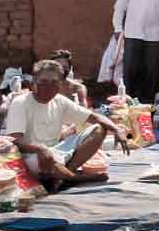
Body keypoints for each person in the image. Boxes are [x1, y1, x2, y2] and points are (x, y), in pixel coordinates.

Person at [7, 60, 129, 191]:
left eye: (54, 82)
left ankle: (64, 175)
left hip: (56, 152)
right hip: (32, 157)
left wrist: (117, 130)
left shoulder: (60, 101)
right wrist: (39, 149)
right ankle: (74, 177)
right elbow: (15, 141)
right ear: (34, 82)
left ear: (60, 84)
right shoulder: (20, 102)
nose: (48, 87)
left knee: (99, 129)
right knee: (41, 159)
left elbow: (95, 117)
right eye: (43, 82)